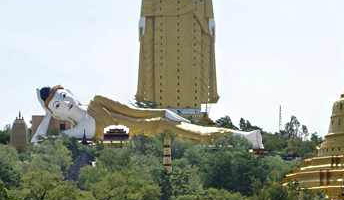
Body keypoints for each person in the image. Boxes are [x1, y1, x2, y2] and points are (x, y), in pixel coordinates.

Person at [31, 85, 264, 150]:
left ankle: (246, 137)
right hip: (151, 139)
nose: (66, 103)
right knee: (200, 140)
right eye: (58, 105)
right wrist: (46, 115)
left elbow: (134, 112)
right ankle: (246, 139)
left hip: (157, 125)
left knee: (199, 134)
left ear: (69, 91)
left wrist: (163, 112)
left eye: (63, 95)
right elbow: (37, 143)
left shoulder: (98, 101)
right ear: (57, 113)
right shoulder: (79, 129)